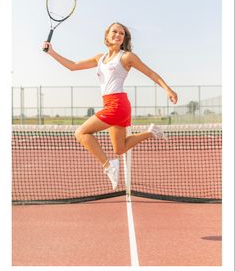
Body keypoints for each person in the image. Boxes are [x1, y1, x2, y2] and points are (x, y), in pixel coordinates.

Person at [43, 22, 178, 190]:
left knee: (81, 132)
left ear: (123, 39)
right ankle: (151, 132)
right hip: (112, 104)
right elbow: (73, 66)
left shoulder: (127, 57)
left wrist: (168, 90)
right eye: (114, 32)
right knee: (120, 149)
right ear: (107, 35)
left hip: (117, 104)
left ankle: (108, 166)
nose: (118, 35)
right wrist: (52, 52)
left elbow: (150, 73)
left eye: (121, 33)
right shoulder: (99, 58)